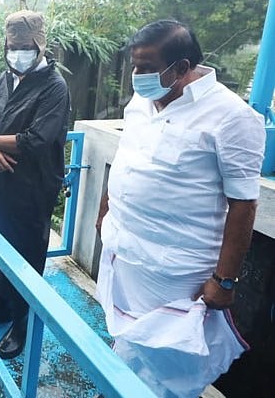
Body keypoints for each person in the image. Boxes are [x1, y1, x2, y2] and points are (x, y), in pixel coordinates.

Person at [95, 20, 265, 397]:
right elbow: (127, 157)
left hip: (175, 273)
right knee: (128, 343)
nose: (136, 76)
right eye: (134, 66)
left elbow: (243, 205)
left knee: (168, 363)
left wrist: (224, 281)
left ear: (182, 68)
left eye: (145, 67)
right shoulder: (141, 102)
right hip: (124, 255)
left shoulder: (231, 117)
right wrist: (106, 210)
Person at [0, 10, 70, 359]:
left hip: (31, 186)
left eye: (25, 46)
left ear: (40, 45)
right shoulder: (3, 79)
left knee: (25, 251)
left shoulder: (54, 87)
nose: (18, 52)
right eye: (13, 46)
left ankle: (22, 322)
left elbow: (37, 139)